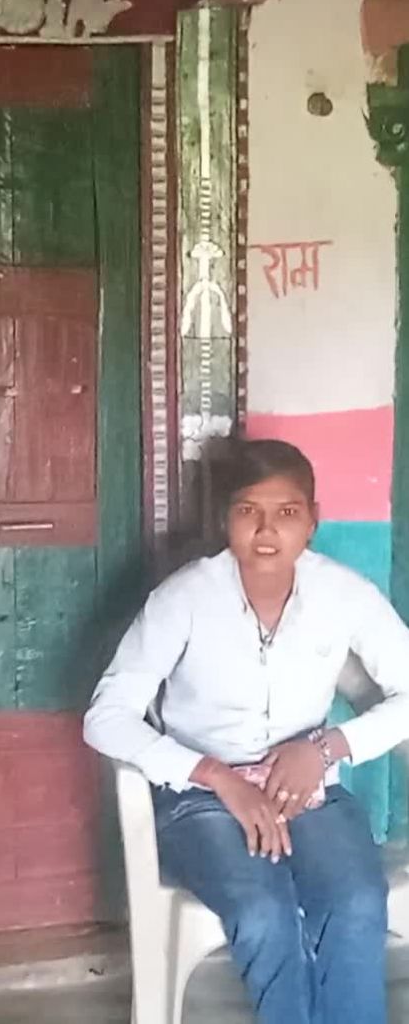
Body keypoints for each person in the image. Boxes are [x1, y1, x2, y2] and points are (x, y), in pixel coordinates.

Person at [84, 439, 409, 1024]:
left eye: (287, 512)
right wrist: (216, 776)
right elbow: (106, 717)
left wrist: (327, 748)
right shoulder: (184, 598)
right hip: (202, 800)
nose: (266, 530)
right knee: (263, 913)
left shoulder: (344, 594)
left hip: (307, 790)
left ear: (313, 520)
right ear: (224, 519)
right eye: (247, 511)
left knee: (357, 902)